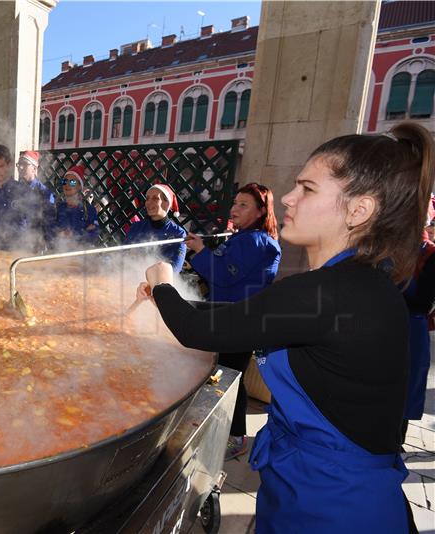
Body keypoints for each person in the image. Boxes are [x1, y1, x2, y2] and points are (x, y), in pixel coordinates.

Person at [138, 123, 433, 533]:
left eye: (307, 189)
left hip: (334, 506)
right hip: (322, 486)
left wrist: (161, 281)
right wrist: (165, 299)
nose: (290, 198)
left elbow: (198, 331)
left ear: (359, 209)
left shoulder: (328, 292)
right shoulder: (357, 283)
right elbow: (244, 316)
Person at [186, 182, 282, 460]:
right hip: (233, 318)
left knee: (230, 379)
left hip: (238, 321)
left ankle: (235, 436)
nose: (235, 209)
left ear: (261, 211)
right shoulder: (246, 238)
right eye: (235, 203)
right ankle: (224, 429)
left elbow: (226, 274)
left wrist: (202, 251)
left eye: (244, 205)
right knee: (227, 377)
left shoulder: (256, 241)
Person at [401, 202, 435, 438]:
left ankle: (397, 438)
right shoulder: (389, 249)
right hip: (386, 322)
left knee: (407, 381)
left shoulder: (430, 254)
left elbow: (424, 301)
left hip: (412, 324)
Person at [124, 184, 186, 271]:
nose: (148, 203)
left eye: (155, 198)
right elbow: (123, 256)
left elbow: (174, 270)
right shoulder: (136, 227)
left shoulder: (178, 233)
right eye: (147, 198)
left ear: (167, 203)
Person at [52, 165, 99, 248]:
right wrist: (58, 233)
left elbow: (93, 234)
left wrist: (75, 238)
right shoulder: (60, 207)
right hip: (61, 253)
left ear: (79, 187)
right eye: (64, 181)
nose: (67, 185)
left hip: (81, 255)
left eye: (72, 182)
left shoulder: (89, 210)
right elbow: (53, 229)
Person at [17, 150, 55, 251]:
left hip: (35, 245)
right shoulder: (15, 189)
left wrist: (48, 245)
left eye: (24, 164)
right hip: (15, 244)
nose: (20, 168)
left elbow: (49, 222)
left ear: (34, 168)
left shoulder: (44, 192)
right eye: (19, 164)